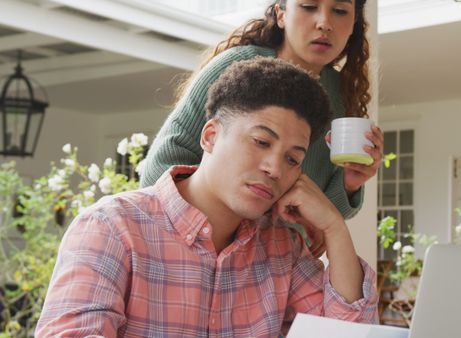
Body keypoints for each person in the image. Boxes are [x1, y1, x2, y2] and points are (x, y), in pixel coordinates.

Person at [36, 58, 378, 337]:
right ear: (211, 136)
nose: (275, 168)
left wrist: (334, 226)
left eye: (293, 159)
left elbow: (347, 331)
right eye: (261, 142)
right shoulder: (112, 228)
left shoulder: (282, 247)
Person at [141, 0, 384, 232]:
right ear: (281, 14)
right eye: (309, 7)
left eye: (340, 11)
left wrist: (348, 183)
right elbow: (159, 170)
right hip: (201, 247)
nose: (324, 23)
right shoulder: (236, 67)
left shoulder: (341, 94)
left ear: (354, 24)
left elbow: (312, 220)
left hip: (275, 266)